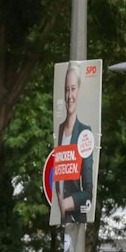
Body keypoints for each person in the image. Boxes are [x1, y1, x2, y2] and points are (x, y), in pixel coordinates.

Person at [54, 62, 96, 223]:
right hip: (61, 218)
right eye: (67, 89)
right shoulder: (59, 129)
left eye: (73, 89)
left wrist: (65, 204)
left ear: (79, 91)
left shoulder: (84, 133)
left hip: (75, 218)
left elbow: (88, 192)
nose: (69, 95)